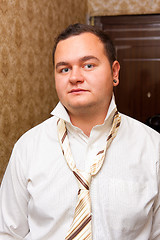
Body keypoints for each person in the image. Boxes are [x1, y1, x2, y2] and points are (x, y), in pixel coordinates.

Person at [0, 23, 160, 240]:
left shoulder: (153, 147)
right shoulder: (28, 147)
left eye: (88, 65)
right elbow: (8, 232)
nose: (74, 77)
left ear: (114, 72)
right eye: (64, 69)